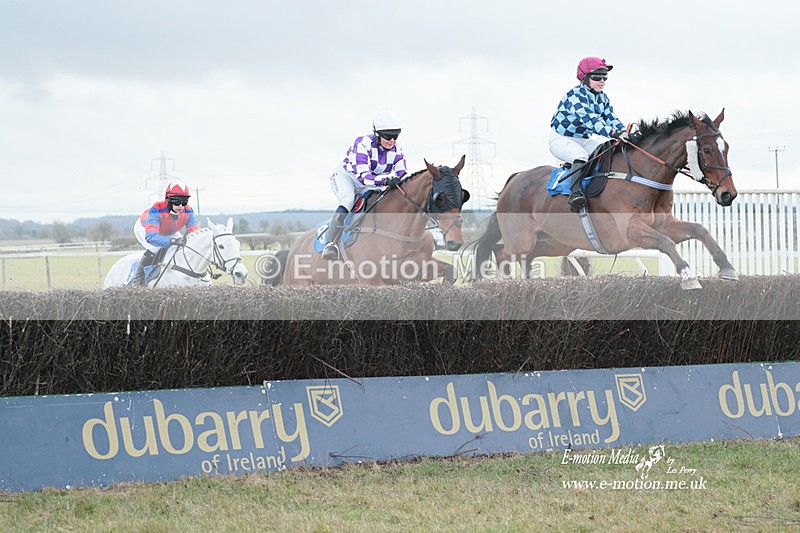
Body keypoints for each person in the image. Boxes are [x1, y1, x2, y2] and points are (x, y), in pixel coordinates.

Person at [322, 111, 408, 261]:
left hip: (371, 182)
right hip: (346, 177)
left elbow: (402, 173)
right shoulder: (363, 144)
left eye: (396, 136)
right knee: (348, 200)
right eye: (388, 136)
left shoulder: (397, 151)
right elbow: (364, 177)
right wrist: (386, 180)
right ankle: (330, 244)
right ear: (377, 134)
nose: (392, 141)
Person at [549, 56, 626, 212]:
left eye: (604, 77)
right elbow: (590, 120)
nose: (602, 81)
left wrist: (624, 132)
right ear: (585, 78)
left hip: (583, 140)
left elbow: (611, 118)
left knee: (609, 150)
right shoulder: (575, 96)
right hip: (561, 139)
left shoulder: (602, 97)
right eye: (597, 77)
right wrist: (613, 132)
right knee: (580, 155)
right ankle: (575, 193)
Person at [130, 181, 200, 285]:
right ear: (168, 200)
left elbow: (195, 233)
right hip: (145, 227)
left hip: (168, 230)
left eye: (184, 201)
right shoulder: (156, 209)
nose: (181, 205)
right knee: (155, 247)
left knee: (182, 246)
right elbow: (151, 237)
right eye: (176, 201)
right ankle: (138, 279)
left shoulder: (189, 211)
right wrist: (172, 241)